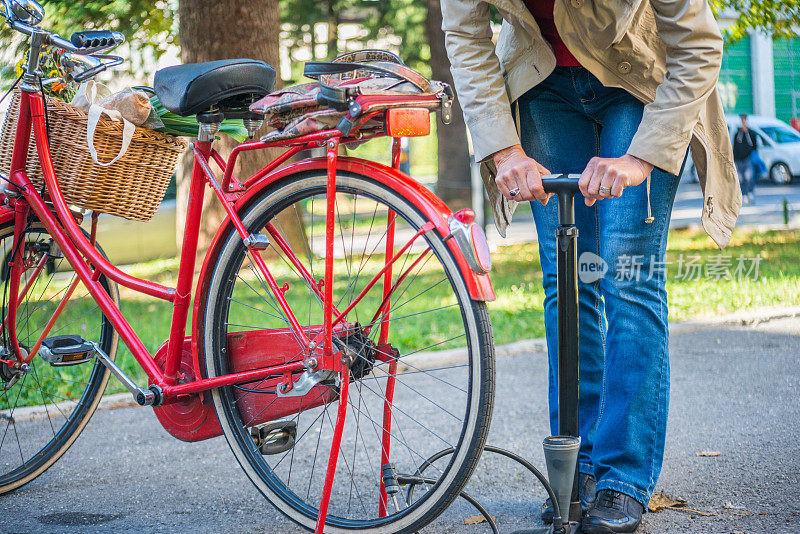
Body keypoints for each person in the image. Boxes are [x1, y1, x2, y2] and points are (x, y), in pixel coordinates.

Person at [440, 0, 741, 532]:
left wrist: (640, 159)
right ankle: (577, 464)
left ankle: (623, 480)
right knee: (570, 276)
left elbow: (698, 43)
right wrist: (506, 150)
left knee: (627, 273)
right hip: (543, 79)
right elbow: (466, 36)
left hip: (640, 75)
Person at [733, 114, 759, 204]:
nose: (743, 122)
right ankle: (744, 194)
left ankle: (750, 193)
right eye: (742, 120)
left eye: (744, 120)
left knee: (749, 177)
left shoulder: (751, 133)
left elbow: (754, 146)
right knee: (741, 178)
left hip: (748, 159)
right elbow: (734, 147)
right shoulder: (737, 134)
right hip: (738, 160)